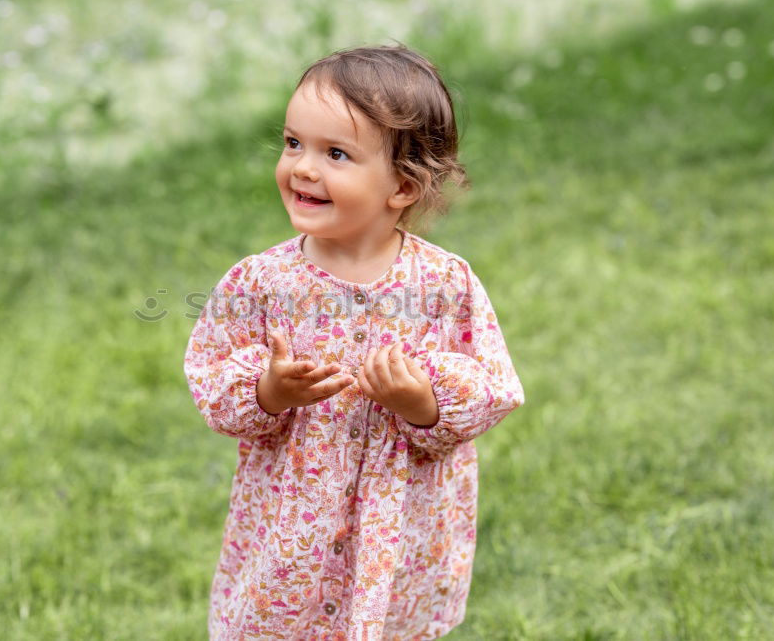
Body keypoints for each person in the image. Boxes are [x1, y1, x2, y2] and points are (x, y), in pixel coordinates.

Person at [183, 43, 526, 640]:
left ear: (403, 186)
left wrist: (423, 404)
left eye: (335, 153)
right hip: (296, 525)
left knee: (391, 625)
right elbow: (212, 377)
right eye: (294, 143)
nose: (304, 168)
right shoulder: (260, 282)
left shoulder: (445, 284)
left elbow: (491, 386)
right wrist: (268, 390)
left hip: (402, 529)